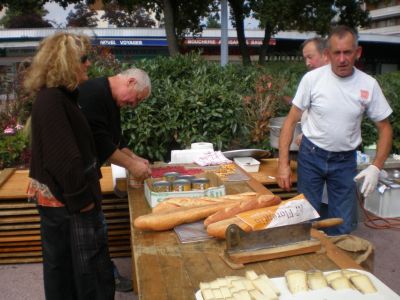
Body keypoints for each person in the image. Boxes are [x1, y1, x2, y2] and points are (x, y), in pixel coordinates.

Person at [277, 25, 393, 235]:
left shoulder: (369, 85)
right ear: (328, 54)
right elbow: (290, 121)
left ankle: (339, 263)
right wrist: (283, 165)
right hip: (311, 156)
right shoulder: (312, 80)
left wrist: (376, 166)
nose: (342, 59)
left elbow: (385, 128)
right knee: (306, 218)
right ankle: (308, 264)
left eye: (347, 52)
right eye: (336, 53)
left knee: (343, 223)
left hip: (345, 161)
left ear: (357, 53)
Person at [25, 32, 115, 299]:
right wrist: (84, 202)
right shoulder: (53, 100)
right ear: (66, 62)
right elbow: (65, 160)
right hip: (70, 209)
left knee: (72, 274)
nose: (88, 64)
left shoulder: (60, 98)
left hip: (68, 207)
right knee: (81, 277)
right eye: (83, 59)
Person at [78, 68, 152, 292]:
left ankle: (106, 279)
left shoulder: (110, 98)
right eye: (135, 99)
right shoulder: (93, 93)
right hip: (77, 180)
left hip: (89, 176)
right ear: (130, 82)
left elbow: (115, 140)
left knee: (97, 231)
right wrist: (132, 166)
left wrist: (136, 158)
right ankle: (101, 283)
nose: (133, 105)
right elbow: (101, 143)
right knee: (90, 237)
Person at [297, 37, 330, 214]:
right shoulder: (310, 80)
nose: (307, 63)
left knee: (330, 207)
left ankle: (331, 237)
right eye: (305, 58)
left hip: (333, 154)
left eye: (310, 57)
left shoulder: (337, 81)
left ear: (325, 55)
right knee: (308, 206)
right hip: (310, 152)